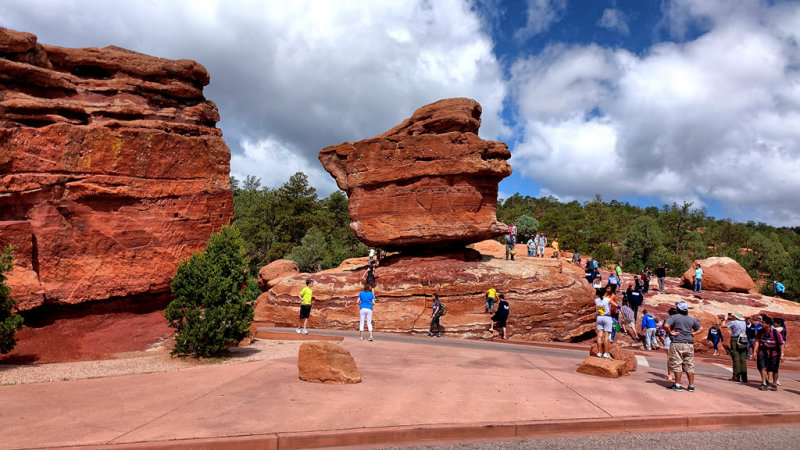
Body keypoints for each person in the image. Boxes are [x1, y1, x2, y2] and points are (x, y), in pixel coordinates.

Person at [663, 301, 703, 392]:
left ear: (678, 309)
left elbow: (665, 325)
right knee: (689, 364)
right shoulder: (691, 319)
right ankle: (691, 385)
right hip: (689, 344)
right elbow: (701, 328)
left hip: (677, 343)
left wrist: (670, 332)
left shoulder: (674, 317)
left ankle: (677, 384)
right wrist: (693, 333)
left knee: (677, 363)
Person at [753, 316, 785, 391]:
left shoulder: (775, 332)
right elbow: (757, 341)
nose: (761, 323)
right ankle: (764, 383)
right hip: (763, 351)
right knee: (763, 367)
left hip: (774, 353)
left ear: (768, 324)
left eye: (763, 322)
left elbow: (781, 343)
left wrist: (782, 355)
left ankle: (773, 383)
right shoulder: (760, 331)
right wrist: (755, 352)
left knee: (773, 369)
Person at [723, 312, 748, 383]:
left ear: (736, 317)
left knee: (736, 357)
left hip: (735, 339)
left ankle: (736, 376)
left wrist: (724, 320)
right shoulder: (744, 323)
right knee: (742, 358)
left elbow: (723, 326)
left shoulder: (733, 322)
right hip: (743, 339)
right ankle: (744, 377)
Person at [593, 287, 617, 359]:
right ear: (605, 293)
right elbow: (616, 305)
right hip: (607, 317)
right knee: (606, 336)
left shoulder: (596, 300)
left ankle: (599, 352)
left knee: (599, 336)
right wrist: (620, 309)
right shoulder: (608, 299)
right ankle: (606, 353)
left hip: (599, 317)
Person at [660, 307, 678, 381]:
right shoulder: (678, 319)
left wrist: (670, 331)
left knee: (669, 356)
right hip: (677, 337)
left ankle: (669, 374)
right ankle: (677, 375)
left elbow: (663, 327)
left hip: (668, 336)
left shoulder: (667, 319)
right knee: (677, 356)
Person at [773, 317, 787, 386]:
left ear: (779, 323)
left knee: (776, 365)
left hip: (777, 348)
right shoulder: (774, 328)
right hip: (772, 347)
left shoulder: (780, 329)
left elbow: (782, 341)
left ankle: (776, 379)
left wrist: (782, 354)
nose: (773, 323)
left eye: (775, 322)